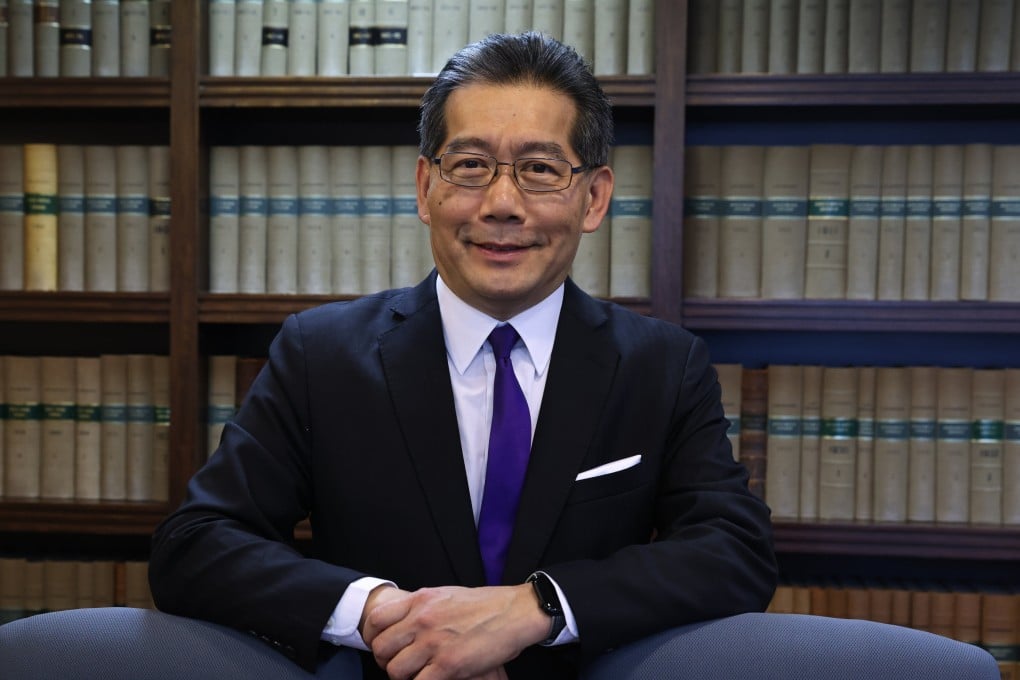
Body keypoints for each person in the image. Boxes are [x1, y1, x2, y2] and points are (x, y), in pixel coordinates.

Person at [148, 32, 777, 680]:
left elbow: (734, 549)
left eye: (540, 169)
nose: (502, 205)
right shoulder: (322, 355)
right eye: (470, 166)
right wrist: (384, 616)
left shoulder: (661, 367)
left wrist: (536, 608)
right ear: (425, 188)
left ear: (593, 198)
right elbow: (195, 546)